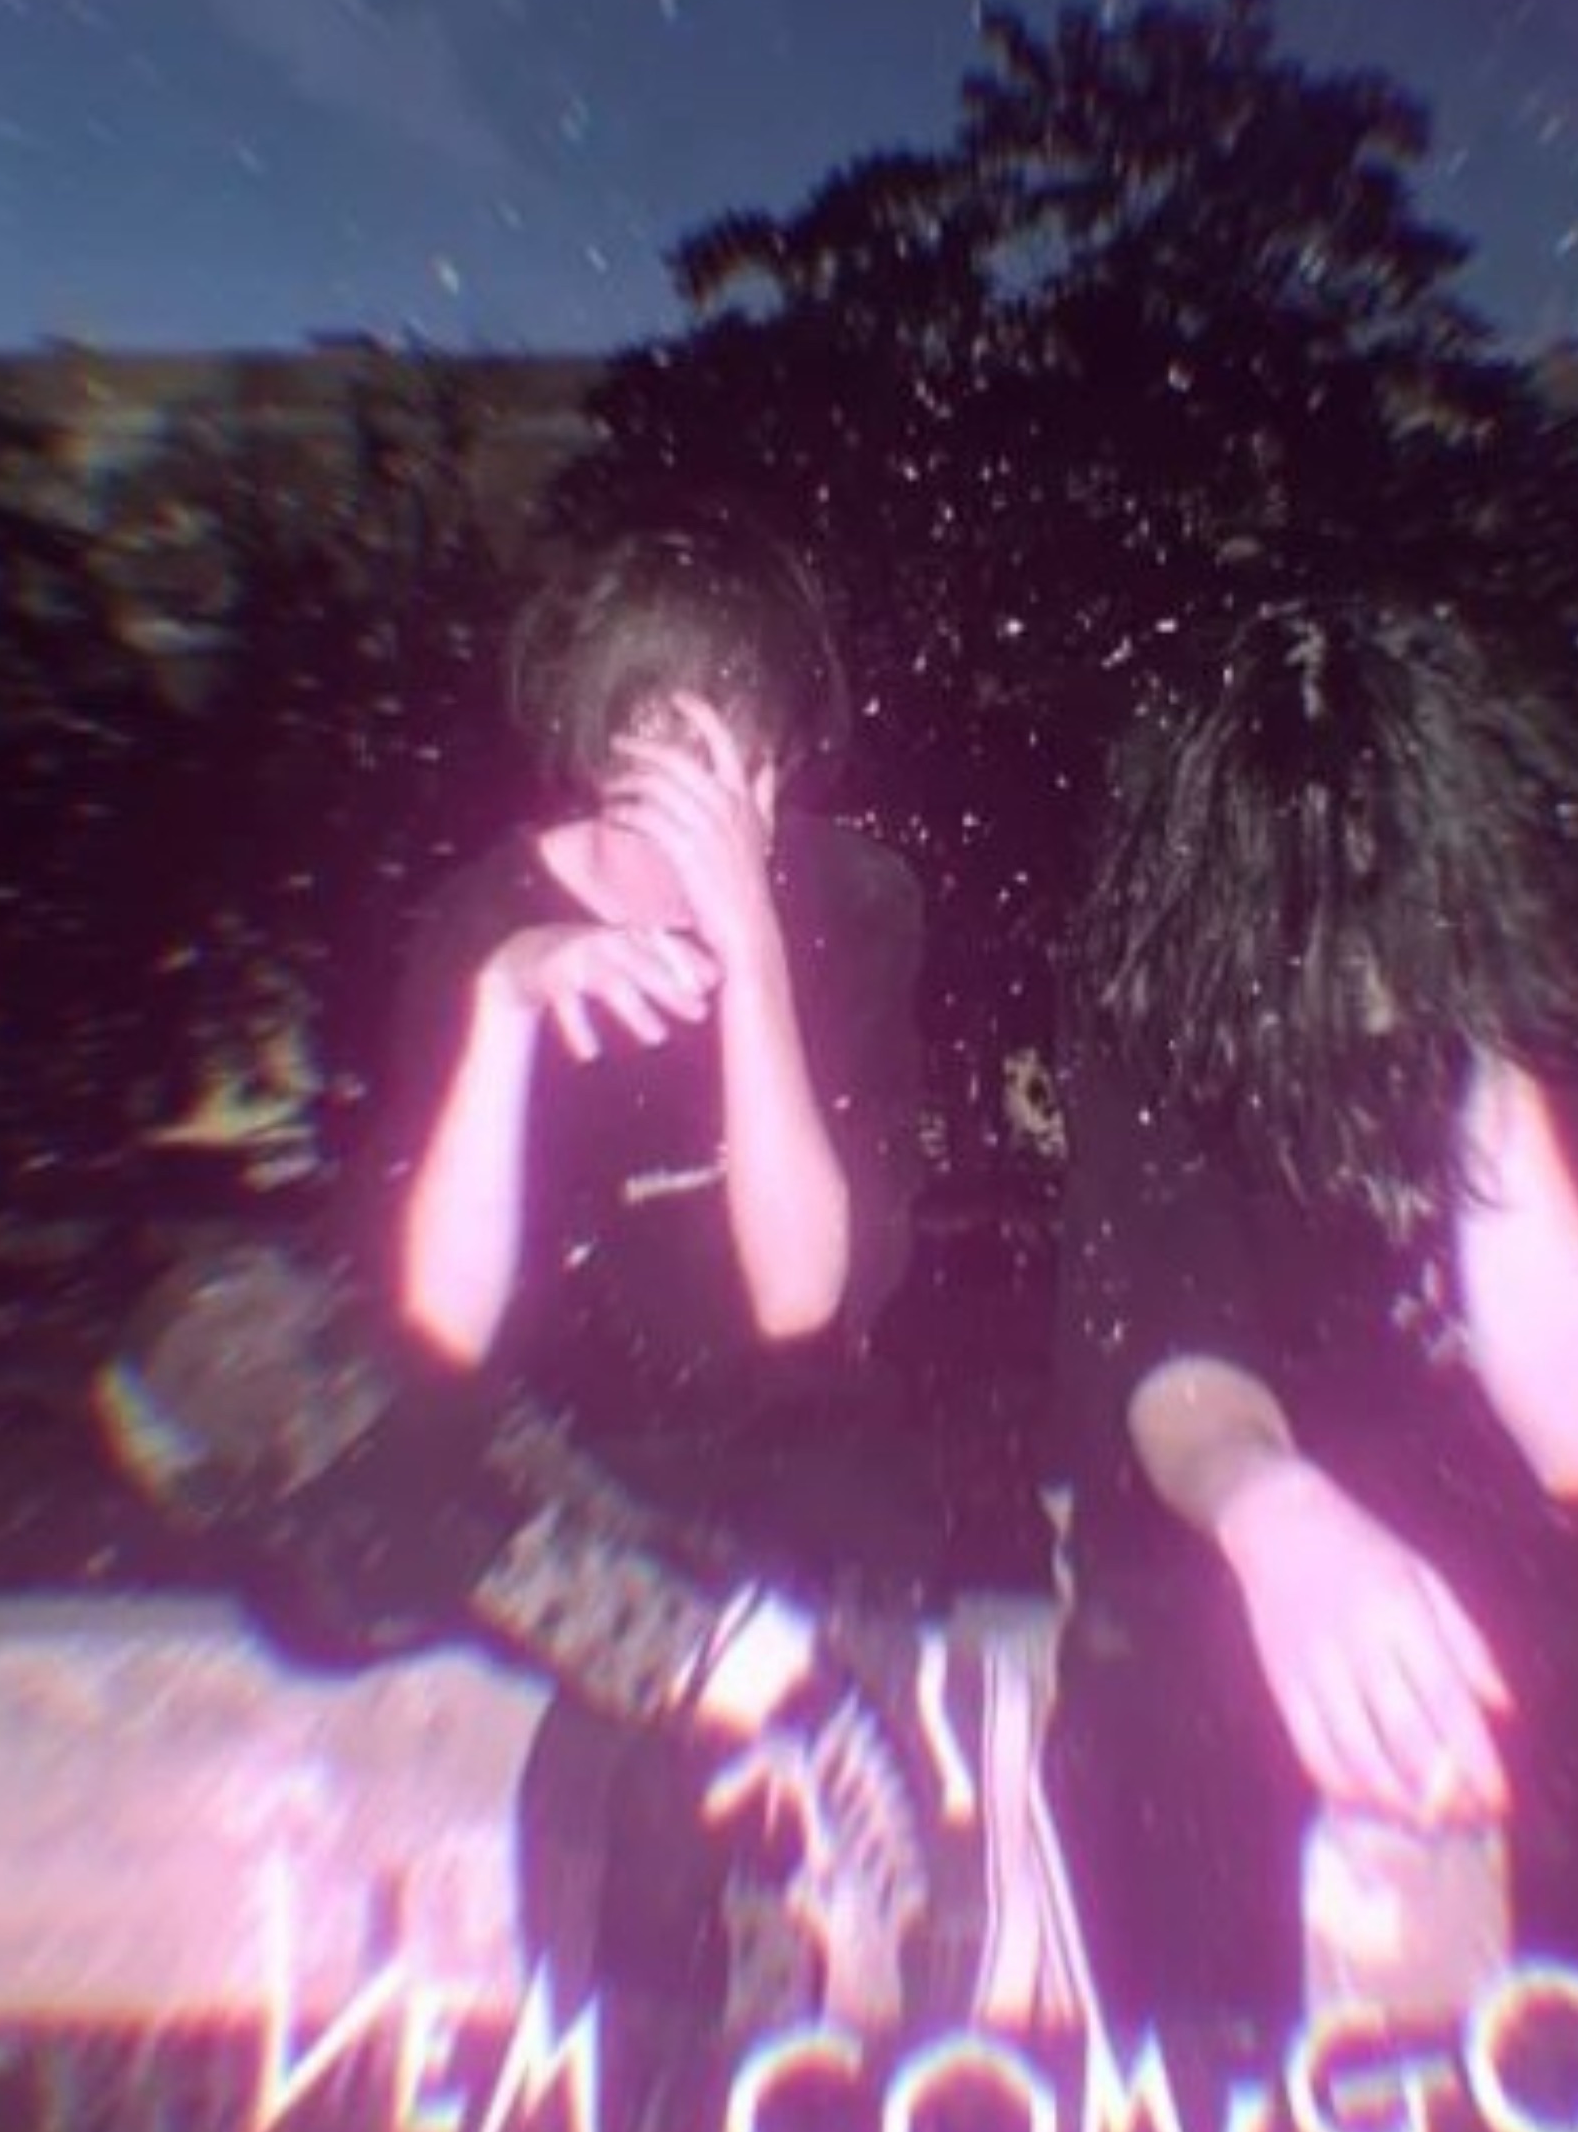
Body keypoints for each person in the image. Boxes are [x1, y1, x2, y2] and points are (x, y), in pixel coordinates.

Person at [98, 506, 948, 2029]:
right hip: (527, 1470)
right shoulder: (485, 917)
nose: (698, 840)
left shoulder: (850, 908)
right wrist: (504, 1009)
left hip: (770, 1462)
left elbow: (800, 1301)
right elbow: (439, 1330)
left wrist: (753, 951)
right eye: (655, 794)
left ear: (780, 767)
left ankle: (728, 1701)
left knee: (682, 1828)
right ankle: (705, 1653)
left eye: (739, 782)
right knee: (200, 1348)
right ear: (585, 758)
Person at [1042, 595, 1578, 2038]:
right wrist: (1278, 1517)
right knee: (1157, 1693)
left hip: (1537, 1510)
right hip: (1234, 1488)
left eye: (1376, 904)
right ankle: (1202, 2123)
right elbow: (1173, 1357)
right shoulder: (1161, 996)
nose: (1343, 972)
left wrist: (1491, 1051)